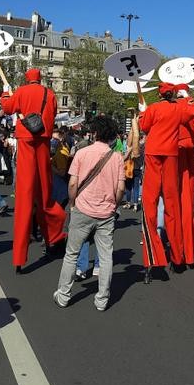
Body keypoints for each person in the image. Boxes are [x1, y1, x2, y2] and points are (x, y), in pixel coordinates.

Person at [54, 116, 124, 311]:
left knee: (71, 254)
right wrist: (113, 206)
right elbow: (120, 189)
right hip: (106, 213)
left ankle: (63, 295)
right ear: (112, 136)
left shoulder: (82, 153)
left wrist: (73, 203)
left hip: (82, 209)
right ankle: (102, 299)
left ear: (94, 133)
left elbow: (73, 183)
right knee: (106, 256)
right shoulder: (117, 157)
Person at [0, 68, 68, 272]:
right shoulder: (50, 93)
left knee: (24, 195)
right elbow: (53, 113)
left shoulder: (20, 91)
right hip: (43, 139)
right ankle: (54, 234)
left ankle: (20, 256)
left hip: (26, 140)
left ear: (27, 79)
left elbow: (7, 107)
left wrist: (5, 92)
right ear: (40, 79)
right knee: (45, 192)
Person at [138, 83, 194, 281]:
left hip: (154, 154)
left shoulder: (154, 108)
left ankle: (152, 255)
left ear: (160, 94)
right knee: (172, 205)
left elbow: (144, 126)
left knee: (150, 204)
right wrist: (186, 96)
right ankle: (177, 256)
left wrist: (142, 113)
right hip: (171, 155)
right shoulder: (179, 108)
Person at [175, 84, 194, 267]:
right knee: (188, 200)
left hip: (175, 149)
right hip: (191, 150)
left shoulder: (174, 106)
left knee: (174, 200)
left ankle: (177, 247)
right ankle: (189, 245)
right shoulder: (192, 105)